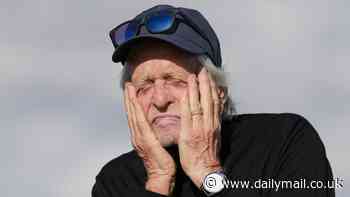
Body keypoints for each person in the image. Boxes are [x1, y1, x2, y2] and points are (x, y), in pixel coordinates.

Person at [92, 4, 335, 197]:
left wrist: (207, 173)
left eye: (175, 80)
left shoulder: (283, 141)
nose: (160, 99)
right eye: (145, 86)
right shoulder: (115, 182)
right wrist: (158, 179)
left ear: (218, 90)